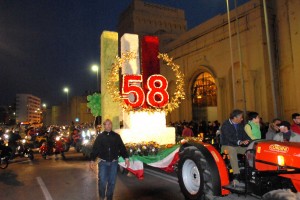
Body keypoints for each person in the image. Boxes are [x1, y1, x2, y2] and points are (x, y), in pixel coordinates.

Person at [90, 119, 129, 200]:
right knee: (102, 182)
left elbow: (122, 148)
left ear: (111, 125)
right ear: (104, 126)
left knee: (112, 182)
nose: (108, 126)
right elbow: (95, 149)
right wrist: (92, 160)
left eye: (109, 124)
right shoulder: (100, 137)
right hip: (103, 163)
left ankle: (109, 197)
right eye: (106, 124)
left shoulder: (116, 136)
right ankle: (101, 196)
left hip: (113, 163)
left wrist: (126, 157)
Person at [220, 109, 251, 187]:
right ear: (235, 118)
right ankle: (236, 175)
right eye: (241, 117)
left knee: (250, 150)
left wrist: (249, 141)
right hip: (226, 146)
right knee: (232, 150)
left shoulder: (240, 125)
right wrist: (240, 142)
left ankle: (250, 171)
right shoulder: (225, 125)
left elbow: (245, 135)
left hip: (237, 146)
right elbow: (228, 138)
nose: (242, 119)